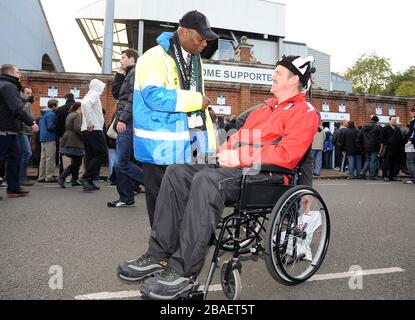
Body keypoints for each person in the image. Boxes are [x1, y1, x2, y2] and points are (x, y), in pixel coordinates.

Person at [118, 55, 320, 300]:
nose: (273, 76)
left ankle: (183, 272)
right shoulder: (265, 108)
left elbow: (288, 153)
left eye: (278, 72)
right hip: (242, 168)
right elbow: (239, 138)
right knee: (177, 171)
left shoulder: (304, 111)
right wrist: (223, 153)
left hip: (269, 176)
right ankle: (159, 253)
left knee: (207, 181)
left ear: (294, 79)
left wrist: (240, 158)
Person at [132, 10, 218, 224]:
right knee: (162, 208)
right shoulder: (153, 57)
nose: (205, 44)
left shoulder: (196, 61)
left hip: (192, 143)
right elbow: (153, 96)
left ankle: (189, 243)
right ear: (185, 32)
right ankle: (161, 252)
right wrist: (197, 101)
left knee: (189, 201)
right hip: (160, 147)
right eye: (201, 38)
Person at [107, 49, 144, 208]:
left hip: (127, 122)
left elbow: (133, 97)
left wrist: (123, 119)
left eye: (123, 58)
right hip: (126, 122)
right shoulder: (128, 73)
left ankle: (155, 183)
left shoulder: (136, 72)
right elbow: (117, 94)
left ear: (132, 59)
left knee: (121, 163)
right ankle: (126, 198)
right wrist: (119, 73)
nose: (120, 60)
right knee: (123, 162)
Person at [0, 64, 39, 198]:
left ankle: (13, 188)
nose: (20, 74)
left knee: (15, 157)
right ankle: (13, 188)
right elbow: (16, 108)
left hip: (9, 130)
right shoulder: (8, 86)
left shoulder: (6, 85)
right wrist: (32, 122)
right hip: (4, 129)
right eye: (17, 72)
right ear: (10, 72)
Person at [79, 79, 108, 192]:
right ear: (98, 87)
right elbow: (85, 104)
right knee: (101, 153)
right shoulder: (94, 94)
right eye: (102, 87)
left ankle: (89, 181)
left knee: (91, 155)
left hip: (86, 130)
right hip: (94, 129)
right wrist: (90, 122)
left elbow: (85, 105)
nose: (103, 89)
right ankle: (86, 178)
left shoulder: (90, 94)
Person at [57, 102, 84, 188]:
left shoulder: (70, 114)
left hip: (67, 138)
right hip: (75, 140)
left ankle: (74, 180)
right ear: (79, 107)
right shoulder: (77, 115)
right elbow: (77, 128)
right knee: (77, 161)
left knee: (75, 160)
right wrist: (84, 137)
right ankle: (62, 177)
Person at [55, 93, 76, 175]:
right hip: (75, 136)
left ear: (66, 98)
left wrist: (59, 134)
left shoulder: (60, 109)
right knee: (75, 155)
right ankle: (74, 175)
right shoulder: (78, 108)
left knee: (64, 154)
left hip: (63, 135)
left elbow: (57, 124)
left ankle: (63, 173)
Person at [38, 99, 58, 182]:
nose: (58, 106)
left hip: (42, 137)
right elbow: (50, 126)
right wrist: (57, 126)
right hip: (50, 137)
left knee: (43, 158)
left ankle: (41, 176)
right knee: (50, 158)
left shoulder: (43, 113)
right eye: (57, 105)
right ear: (53, 106)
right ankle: (49, 177)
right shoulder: (51, 114)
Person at [19, 86, 35, 186]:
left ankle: (19, 177)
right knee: (27, 153)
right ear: (22, 93)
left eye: (30, 93)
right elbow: (24, 117)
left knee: (20, 154)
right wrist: (32, 125)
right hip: (22, 131)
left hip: (25, 131)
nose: (29, 95)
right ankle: (22, 177)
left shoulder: (27, 103)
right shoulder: (26, 104)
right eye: (27, 93)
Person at [380, 116, 405, 181]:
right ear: (389, 121)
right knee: (386, 163)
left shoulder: (398, 129)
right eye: (393, 120)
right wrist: (388, 143)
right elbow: (381, 138)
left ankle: (392, 176)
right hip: (388, 149)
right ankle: (385, 176)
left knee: (393, 164)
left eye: (395, 120)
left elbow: (400, 139)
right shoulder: (385, 128)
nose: (394, 121)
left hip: (396, 149)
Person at [358, 115, 381, 180]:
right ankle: (372, 175)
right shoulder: (377, 127)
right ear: (376, 121)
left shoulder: (364, 127)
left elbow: (359, 136)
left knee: (367, 160)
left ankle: (362, 172)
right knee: (373, 161)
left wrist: (361, 145)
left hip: (365, 147)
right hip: (374, 146)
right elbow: (380, 137)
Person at [404, 107, 415, 184]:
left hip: (411, 143)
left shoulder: (413, 121)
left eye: (411, 112)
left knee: (410, 162)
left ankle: (413, 178)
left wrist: (410, 140)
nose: (410, 114)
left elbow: (413, 132)